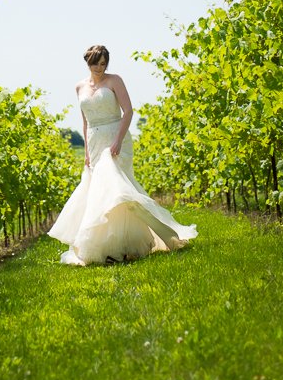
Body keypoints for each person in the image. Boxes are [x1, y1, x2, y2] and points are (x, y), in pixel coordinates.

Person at [48, 44, 197, 266]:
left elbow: (128, 111)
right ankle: (111, 246)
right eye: (96, 63)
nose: (100, 67)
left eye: (104, 63)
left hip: (116, 138)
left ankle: (128, 245)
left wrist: (117, 141)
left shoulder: (115, 80)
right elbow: (85, 121)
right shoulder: (79, 87)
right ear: (88, 63)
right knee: (99, 192)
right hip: (95, 142)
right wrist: (87, 152)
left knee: (117, 189)